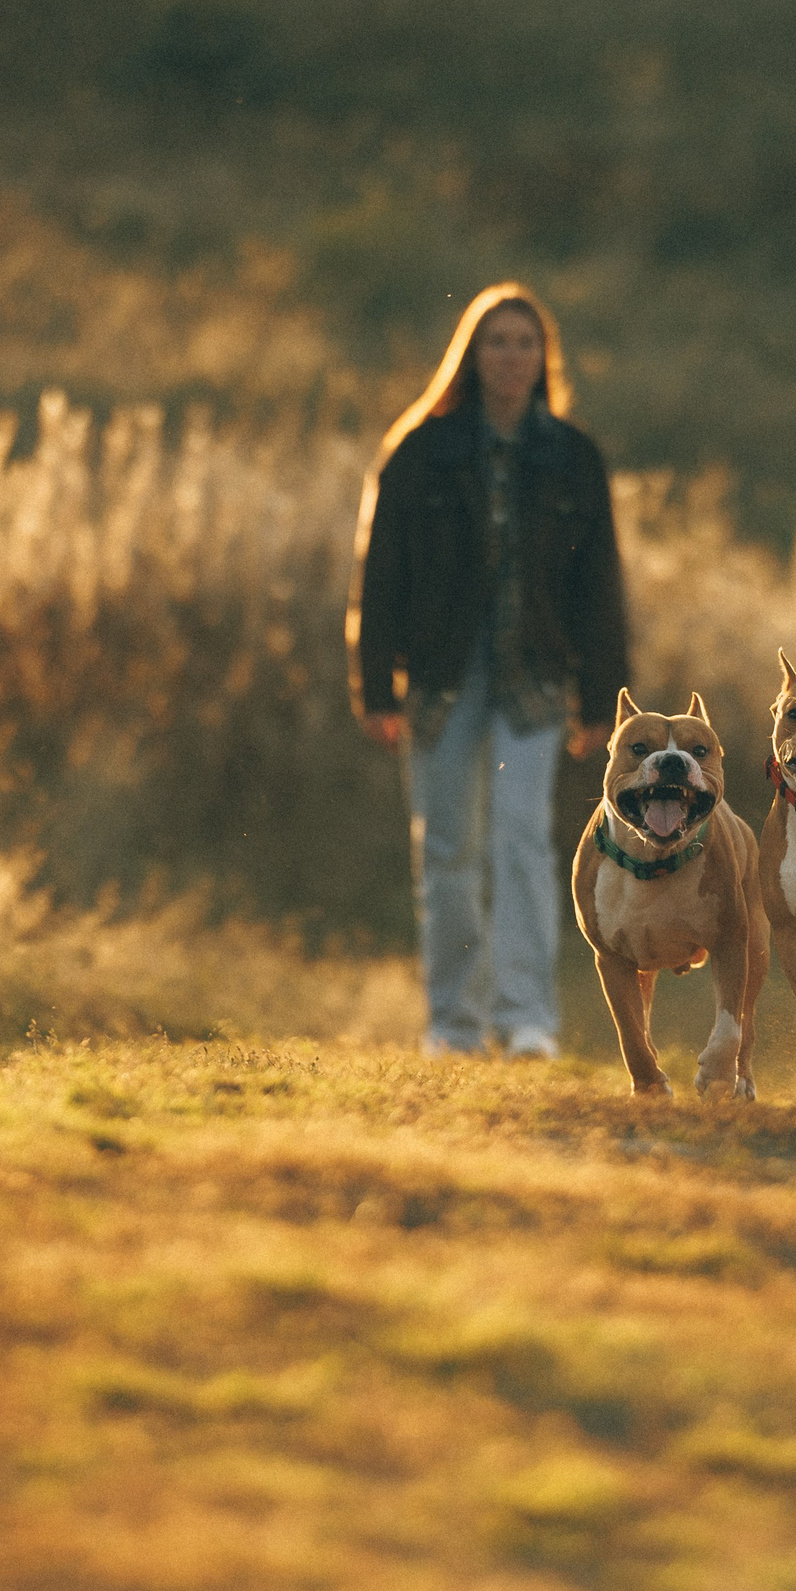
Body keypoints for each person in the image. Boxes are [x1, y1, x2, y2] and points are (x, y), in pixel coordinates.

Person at [349, 283, 629, 1058]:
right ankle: (454, 1024)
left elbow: (600, 585)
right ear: (471, 355)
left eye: (525, 343)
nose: (511, 356)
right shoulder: (420, 450)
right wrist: (374, 689)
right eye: (497, 342)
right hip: (440, 680)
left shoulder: (573, 457)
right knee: (447, 849)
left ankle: (527, 1017)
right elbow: (379, 576)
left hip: (534, 680)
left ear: (544, 358)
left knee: (523, 843)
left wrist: (603, 701)